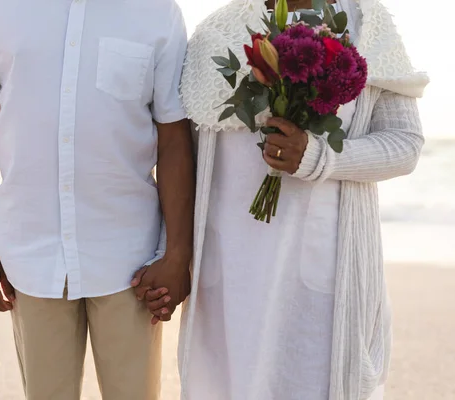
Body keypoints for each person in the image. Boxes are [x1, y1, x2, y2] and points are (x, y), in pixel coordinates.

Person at [135, 0, 430, 398]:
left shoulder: (366, 25)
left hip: (322, 275)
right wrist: (170, 256)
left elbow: (404, 144)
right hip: (229, 276)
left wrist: (317, 156)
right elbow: (182, 159)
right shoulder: (215, 34)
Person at [0, 0, 194, 399]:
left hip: (131, 263)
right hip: (31, 256)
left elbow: (174, 138)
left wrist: (177, 256)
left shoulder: (157, 11)